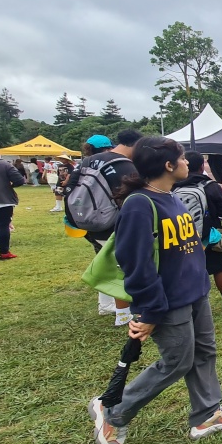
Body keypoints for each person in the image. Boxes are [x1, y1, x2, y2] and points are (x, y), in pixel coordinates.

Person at [87, 136, 222, 444]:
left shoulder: (172, 197)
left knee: (204, 353)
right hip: (166, 302)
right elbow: (136, 263)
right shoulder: (139, 204)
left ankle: (207, 414)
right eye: (182, 158)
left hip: (195, 294)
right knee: (177, 361)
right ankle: (113, 411)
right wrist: (148, 312)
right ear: (168, 165)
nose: (189, 162)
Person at [65, 131, 141, 323]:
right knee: (123, 267)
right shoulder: (122, 164)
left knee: (103, 260)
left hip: (88, 221)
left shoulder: (85, 162)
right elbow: (129, 199)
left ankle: (106, 305)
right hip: (112, 222)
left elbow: (69, 188)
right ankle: (123, 314)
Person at [173, 151, 222, 314]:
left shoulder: (174, 185)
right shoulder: (209, 185)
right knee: (217, 267)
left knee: (186, 267)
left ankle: (188, 302)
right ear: (202, 166)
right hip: (208, 233)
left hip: (180, 233)